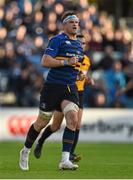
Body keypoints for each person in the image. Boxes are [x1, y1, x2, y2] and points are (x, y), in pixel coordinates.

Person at [19, 11, 84, 171]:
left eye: (77, 22)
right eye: (71, 22)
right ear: (64, 25)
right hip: (53, 87)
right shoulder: (57, 40)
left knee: (73, 119)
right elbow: (45, 61)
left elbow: (74, 66)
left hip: (70, 88)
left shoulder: (79, 45)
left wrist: (79, 73)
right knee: (42, 122)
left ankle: (64, 160)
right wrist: (66, 62)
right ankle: (25, 150)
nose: (75, 24)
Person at [34, 34, 94, 162]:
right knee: (55, 126)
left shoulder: (86, 60)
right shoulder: (70, 55)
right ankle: (40, 141)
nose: (82, 45)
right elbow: (75, 75)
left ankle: (69, 154)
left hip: (78, 92)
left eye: (84, 43)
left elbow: (80, 75)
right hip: (65, 90)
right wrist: (82, 78)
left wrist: (87, 80)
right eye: (80, 42)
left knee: (76, 123)